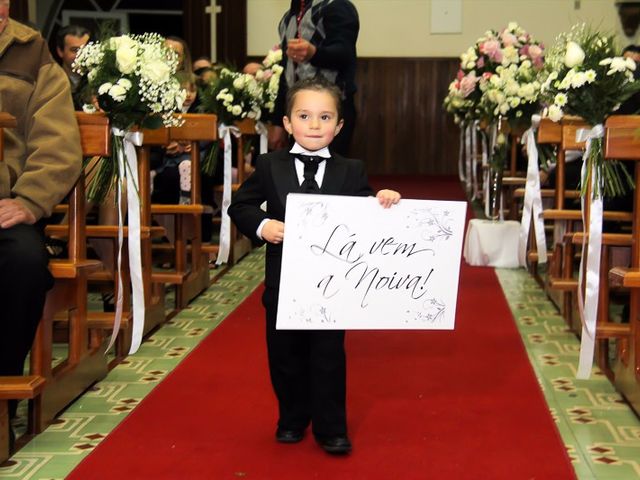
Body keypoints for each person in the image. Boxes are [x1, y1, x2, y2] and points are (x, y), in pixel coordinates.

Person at [228, 77, 400, 455]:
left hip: (333, 286)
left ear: (339, 126)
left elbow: (368, 211)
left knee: (327, 358)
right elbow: (239, 206)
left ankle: (330, 427)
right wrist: (262, 224)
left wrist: (384, 199)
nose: (315, 125)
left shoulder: (350, 170)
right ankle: (291, 418)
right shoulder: (270, 165)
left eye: (325, 117)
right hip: (282, 281)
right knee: (284, 357)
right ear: (288, 123)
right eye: (305, 116)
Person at [0, 0, 82, 440]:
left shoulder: (31, 52)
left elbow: (58, 143)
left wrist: (30, 201)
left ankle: (3, 390)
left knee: (26, 266)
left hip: (7, 209)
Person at [268, 0, 359, 156]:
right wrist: (278, 122)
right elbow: (286, 72)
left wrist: (314, 54)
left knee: (331, 174)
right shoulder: (288, 18)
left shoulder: (337, 6)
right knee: (298, 173)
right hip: (298, 111)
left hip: (332, 110)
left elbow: (345, 53)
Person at [55, 24, 90, 109]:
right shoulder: (53, 81)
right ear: (60, 51)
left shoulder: (98, 81)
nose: (81, 55)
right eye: (75, 50)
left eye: (85, 49)